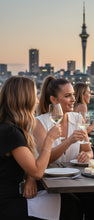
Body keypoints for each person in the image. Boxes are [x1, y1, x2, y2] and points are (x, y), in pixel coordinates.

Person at [33, 76, 94, 220]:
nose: (73, 99)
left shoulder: (77, 118)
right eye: (68, 96)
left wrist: (87, 156)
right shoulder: (40, 123)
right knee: (73, 204)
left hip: (74, 179)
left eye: (73, 95)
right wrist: (69, 141)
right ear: (54, 100)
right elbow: (45, 160)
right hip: (49, 181)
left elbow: (88, 150)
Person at [0, 76, 65, 219]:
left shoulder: (8, 128)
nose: (36, 101)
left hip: (12, 196)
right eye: (34, 96)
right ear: (25, 100)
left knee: (67, 201)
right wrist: (49, 139)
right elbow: (37, 172)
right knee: (66, 203)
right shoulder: (11, 132)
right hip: (8, 204)